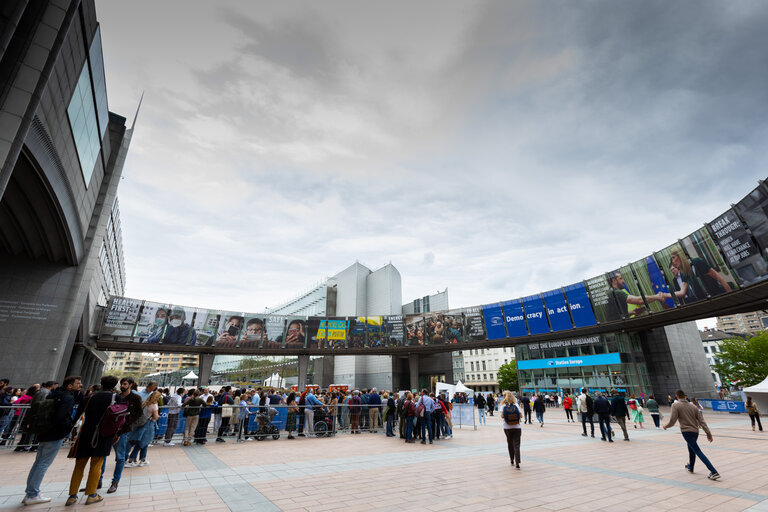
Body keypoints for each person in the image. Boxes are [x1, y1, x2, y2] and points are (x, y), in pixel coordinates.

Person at [22, 376, 81, 505]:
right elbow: (61, 417)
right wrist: (69, 426)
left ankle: (30, 492)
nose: (80, 385)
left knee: (38, 463)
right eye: (78, 383)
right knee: (43, 464)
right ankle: (32, 494)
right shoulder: (68, 397)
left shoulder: (54, 394)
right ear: (69, 385)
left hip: (45, 431)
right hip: (55, 434)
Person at [67, 375, 120, 506]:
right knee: (96, 464)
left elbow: (78, 415)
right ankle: (92, 495)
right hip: (104, 434)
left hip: (86, 433)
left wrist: (70, 430)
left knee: (79, 465)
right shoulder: (116, 398)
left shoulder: (90, 397)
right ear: (114, 385)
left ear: (101, 384)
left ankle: (72, 495)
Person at [98, 377, 143, 495]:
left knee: (120, 457)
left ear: (131, 385)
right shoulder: (115, 396)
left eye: (125, 384)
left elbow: (139, 412)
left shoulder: (135, 398)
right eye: (121, 384)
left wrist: (128, 422)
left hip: (123, 431)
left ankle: (115, 482)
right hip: (109, 429)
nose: (122, 386)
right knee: (103, 455)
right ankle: (98, 480)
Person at [664, 389, 720, 480]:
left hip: (686, 432)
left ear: (677, 396)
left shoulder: (675, 405)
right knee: (691, 448)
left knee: (697, 450)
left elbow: (672, 420)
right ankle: (691, 466)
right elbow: (702, 421)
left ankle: (713, 471)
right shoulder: (693, 406)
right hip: (695, 432)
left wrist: (666, 426)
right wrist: (708, 433)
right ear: (685, 396)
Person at [126, 391, 161, 467]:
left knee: (144, 442)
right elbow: (155, 416)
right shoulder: (154, 405)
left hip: (141, 424)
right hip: (149, 424)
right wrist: (156, 417)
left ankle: (142, 459)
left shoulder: (145, 403)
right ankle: (131, 460)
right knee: (141, 443)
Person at [500, 391, 522, 469]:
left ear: (504, 397)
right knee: (516, 445)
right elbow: (521, 416)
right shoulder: (516, 405)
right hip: (517, 427)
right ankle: (517, 462)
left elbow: (502, 416)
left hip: (507, 427)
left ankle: (512, 459)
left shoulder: (503, 405)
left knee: (510, 443)